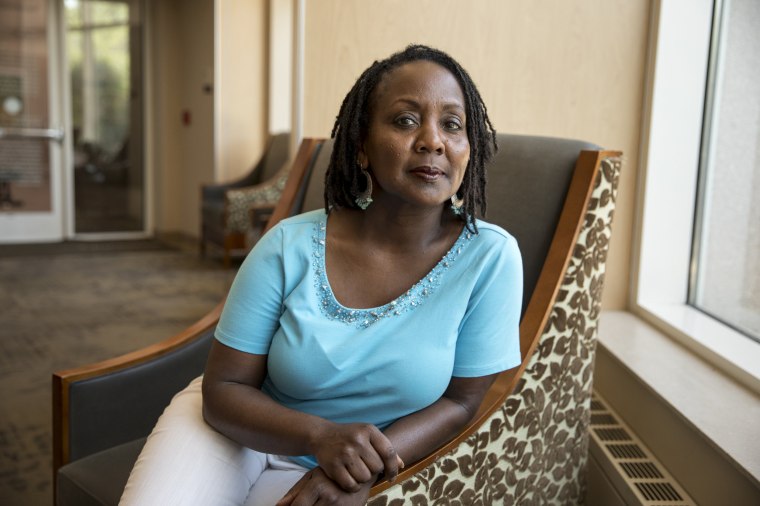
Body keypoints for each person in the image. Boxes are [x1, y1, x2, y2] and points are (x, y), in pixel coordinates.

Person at [120, 44, 522, 506]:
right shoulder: (289, 245)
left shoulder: (490, 258)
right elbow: (224, 389)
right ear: (362, 149)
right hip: (241, 431)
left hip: (359, 461)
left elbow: (461, 403)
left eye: (452, 124)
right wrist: (320, 437)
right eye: (405, 120)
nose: (433, 140)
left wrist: (361, 470)